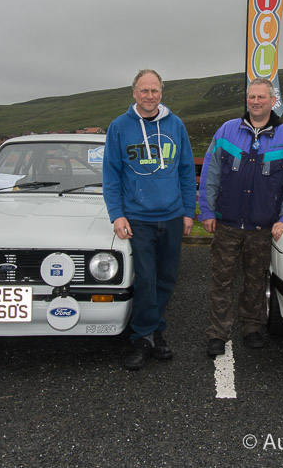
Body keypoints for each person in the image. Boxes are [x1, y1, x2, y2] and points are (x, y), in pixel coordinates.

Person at [198, 77, 283, 356]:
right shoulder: (226, 131)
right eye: (252, 97)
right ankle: (217, 333)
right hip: (227, 224)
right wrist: (207, 210)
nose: (256, 102)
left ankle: (251, 327)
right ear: (247, 100)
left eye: (261, 97)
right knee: (221, 280)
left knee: (256, 279)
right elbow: (210, 174)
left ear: (273, 101)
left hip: (263, 226)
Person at [103, 69, 197, 370]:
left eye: (154, 90)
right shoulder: (119, 127)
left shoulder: (175, 125)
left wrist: (187, 211)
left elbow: (185, 170)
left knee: (167, 278)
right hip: (138, 218)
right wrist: (117, 214)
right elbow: (111, 175)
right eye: (144, 90)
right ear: (134, 93)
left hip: (171, 215)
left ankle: (154, 329)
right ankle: (143, 338)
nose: (150, 96)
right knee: (145, 278)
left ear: (161, 93)